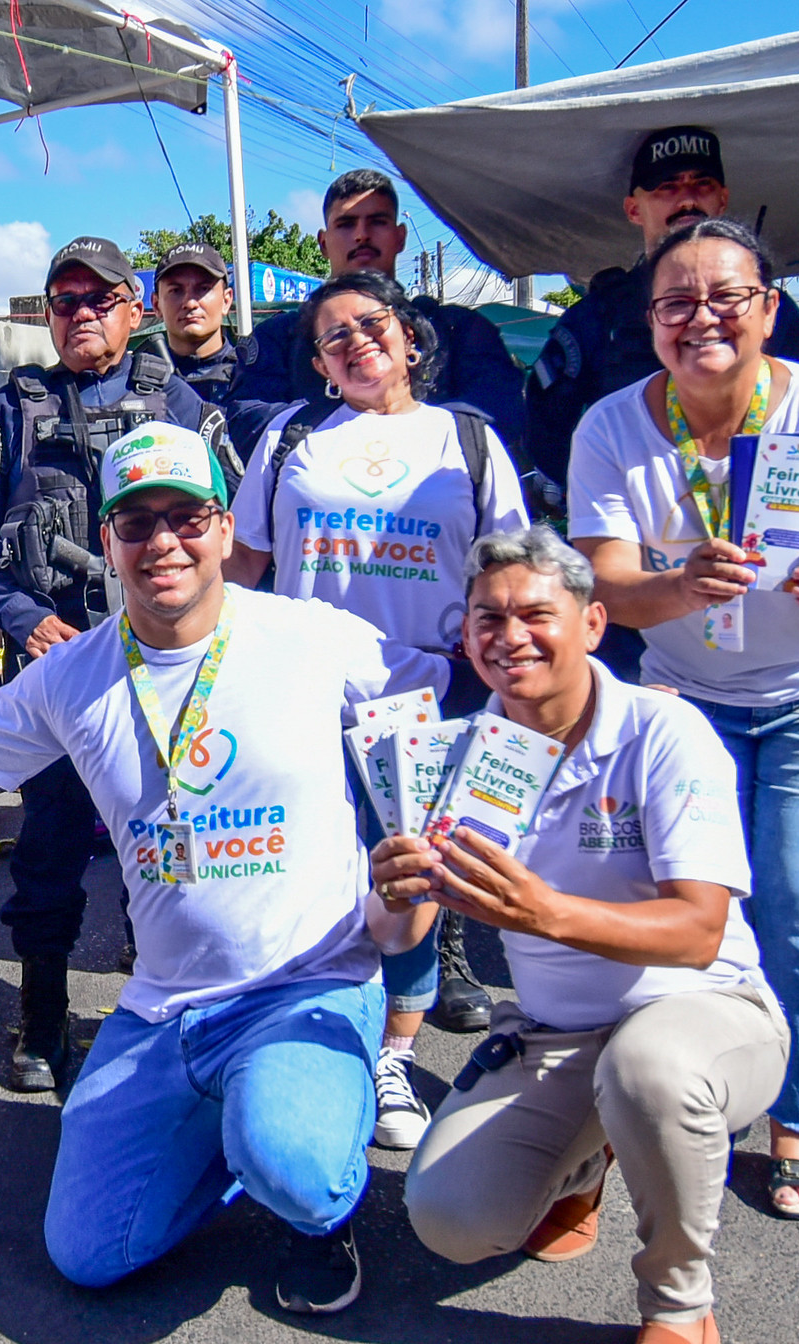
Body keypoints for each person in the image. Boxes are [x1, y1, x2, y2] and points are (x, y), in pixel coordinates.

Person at [0, 422, 466, 1312]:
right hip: (165, 1006)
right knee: (89, 1253)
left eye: (187, 516)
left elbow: (456, 693)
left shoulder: (313, 636)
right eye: (137, 524)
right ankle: (237, 1127)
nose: (163, 543)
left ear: (223, 527)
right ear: (107, 540)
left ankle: (311, 1198)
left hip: (306, 982)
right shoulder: (76, 674)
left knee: (294, 1166)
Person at [383, 526, 786, 1344]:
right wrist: (395, 892)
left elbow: (700, 927)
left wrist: (548, 913)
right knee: (451, 1217)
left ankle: (680, 1309)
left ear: (595, 623)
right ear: (464, 636)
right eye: (487, 618)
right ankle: (589, 1158)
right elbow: (402, 936)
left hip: (705, 1011)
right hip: (559, 1034)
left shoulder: (662, 731)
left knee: (650, 1069)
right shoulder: (456, 756)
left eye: (537, 612)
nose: (510, 635)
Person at [567, 217, 799, 1220]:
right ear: (650, 322)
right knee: (688, 902)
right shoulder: (611, 429)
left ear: (765, 311)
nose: (699, 317)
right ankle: (687, 1092)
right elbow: (609, 595)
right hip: (689, 696)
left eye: (724, 297)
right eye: (675, 302)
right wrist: (679, 585)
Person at [226, 269, 528, 1150]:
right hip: (300, 694)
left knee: (411, 875)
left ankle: (392, 1052)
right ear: (319, 364)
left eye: (371, 325)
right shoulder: (290, 437)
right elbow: (244, 564)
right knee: (304, 874)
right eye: (334, 337)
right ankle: (300, 1036)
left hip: (424, 699)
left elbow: (508, 572)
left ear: (407, 336)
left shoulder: (464, 439)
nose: (356, 343)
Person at [0, 235, 238, 1092]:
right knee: (46, 847)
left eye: (98, 298)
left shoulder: (182, 403)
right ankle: (42, 1010)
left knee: (165, 845)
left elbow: (225, 532)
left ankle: (161, 1011)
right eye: (63, 300)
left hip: (163, 669)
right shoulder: (14, 408)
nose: (79, 313)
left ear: (134, 309)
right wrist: (24, 616)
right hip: (55, 669)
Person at [525, 126, 799, 495]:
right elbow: (545, 430)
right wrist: (606, 493)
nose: (686, 200)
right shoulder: (602, 315)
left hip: (759, 523)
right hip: (635, 526)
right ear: (634, 209)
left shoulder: (768, 308)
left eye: (701, 185)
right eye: (666, 187)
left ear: (722, 199)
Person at [229, 168, 526, 460]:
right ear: (323, 242)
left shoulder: (458, 331)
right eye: (346, 224)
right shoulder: (280, 337)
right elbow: (250, 422)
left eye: (377, 222)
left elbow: (498, 417)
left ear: (400, 237)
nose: (361, 235)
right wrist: (352, 429)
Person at [147, 242, 288, 455]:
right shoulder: (139, 384)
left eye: (203, 289)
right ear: (156, 304)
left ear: (227, 300)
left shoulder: (257, 377)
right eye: (176, 290)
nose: (190, 302)